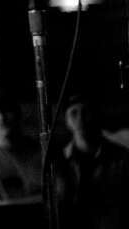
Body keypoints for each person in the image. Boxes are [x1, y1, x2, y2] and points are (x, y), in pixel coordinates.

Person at [54, 93, 129, 229]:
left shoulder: (121, 157)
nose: (81, 118)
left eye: (86, 111)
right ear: (66, 120)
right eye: (74, 113)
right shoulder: (60, 161)